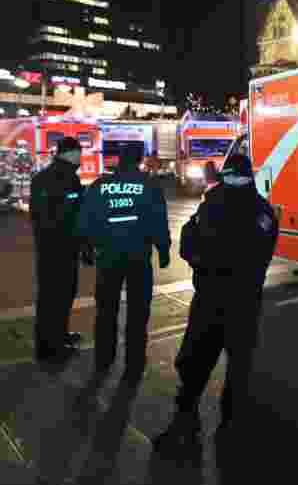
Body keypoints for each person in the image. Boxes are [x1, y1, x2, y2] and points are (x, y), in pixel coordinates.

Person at [153, 154, 278, 455]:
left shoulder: (212, 205)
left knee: (194, 363)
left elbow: (188, 242)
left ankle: (184, 425)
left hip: (210, 300)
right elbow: (261, 254)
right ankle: (231, 429)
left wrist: (202, 262)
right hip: (244, 303)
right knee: (238, 367)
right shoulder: (263, 211)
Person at [76, 143, 171, 386]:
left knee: (106, 310)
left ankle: (103, 359)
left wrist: (86, 247)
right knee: (138, 312)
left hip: (108, 257)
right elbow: (158, 220)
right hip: (138, 257)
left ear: (119, 160)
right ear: (139, 160)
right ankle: (134, 362)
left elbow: (86, 219)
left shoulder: (100, 185)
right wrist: (163, 249)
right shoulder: (149, 185)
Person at [30, 136, 88, 366]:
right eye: (79, 153)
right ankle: (50, 348)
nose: (81, 158)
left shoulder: (49, 177)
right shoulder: (63, 178)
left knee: (58, 296)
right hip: (59, 249)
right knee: (56, 297)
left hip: (53, 248)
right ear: (71, 153)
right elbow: (68, 216)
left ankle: (58, 337)